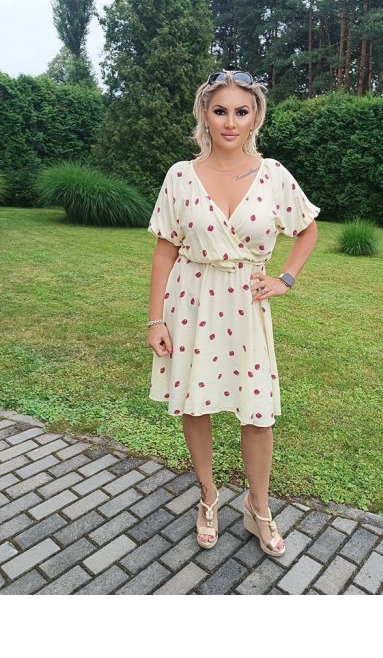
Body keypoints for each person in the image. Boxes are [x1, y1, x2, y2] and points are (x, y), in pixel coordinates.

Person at [147, 70, 320, 556]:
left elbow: (306, 229)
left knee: (258, 414)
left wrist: (285, 278)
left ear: (255, 117)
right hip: (191, 300)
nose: (230, 121)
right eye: (220, 110)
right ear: (205, 114)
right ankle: (208, 497)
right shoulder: (180, 175)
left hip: (246, 306)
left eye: (241, 111)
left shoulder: (274, 174)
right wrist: (155, 319)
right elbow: (165, 248)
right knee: (195, 405)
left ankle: (258, 507)